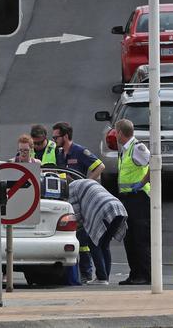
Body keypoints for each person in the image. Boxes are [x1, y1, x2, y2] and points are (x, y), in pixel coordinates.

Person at [52, 121, 105, 282]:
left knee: (83, 237)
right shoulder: (59, 153)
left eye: (56, 137)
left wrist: (86, 182)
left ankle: (86, 272)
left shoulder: (80, 151)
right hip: (67, 199)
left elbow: (100, 166)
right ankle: (72, 273)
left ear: (66, 136)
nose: (54, 140)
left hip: (81, 200)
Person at [69, 179, 128, 285]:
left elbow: (77, 215)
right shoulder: (86, 182)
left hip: (104, 210)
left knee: (94, 243)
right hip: (119, 208)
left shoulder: (71, 189)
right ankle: (105, 278)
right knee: (105, 244)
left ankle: (101, 278)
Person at [114, 118, 151, 285]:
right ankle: (134, 273)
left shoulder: (137, 148)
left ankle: (145, 275)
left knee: (140, 238)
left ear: (121, 133)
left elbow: (156, 165)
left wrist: (141, 183)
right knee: (129, 238)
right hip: (127, 198)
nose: (115, 135)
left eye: (116, 132)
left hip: (139, 198)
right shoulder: (126, 149)